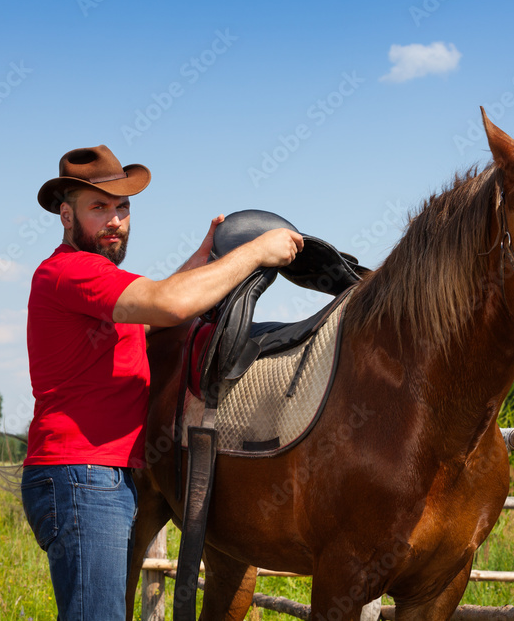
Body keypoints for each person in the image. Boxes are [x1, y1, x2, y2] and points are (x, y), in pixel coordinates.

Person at [21, 145, 303, 620]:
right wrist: (257, 251)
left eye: (122, 208)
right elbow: (170, 305)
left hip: (91, 474)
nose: (115, 221)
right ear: (66, 216)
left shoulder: (93, 282)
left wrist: (202, 257)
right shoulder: (75, 271)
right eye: (99, 208)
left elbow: (151, 316)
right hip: (83, 476)